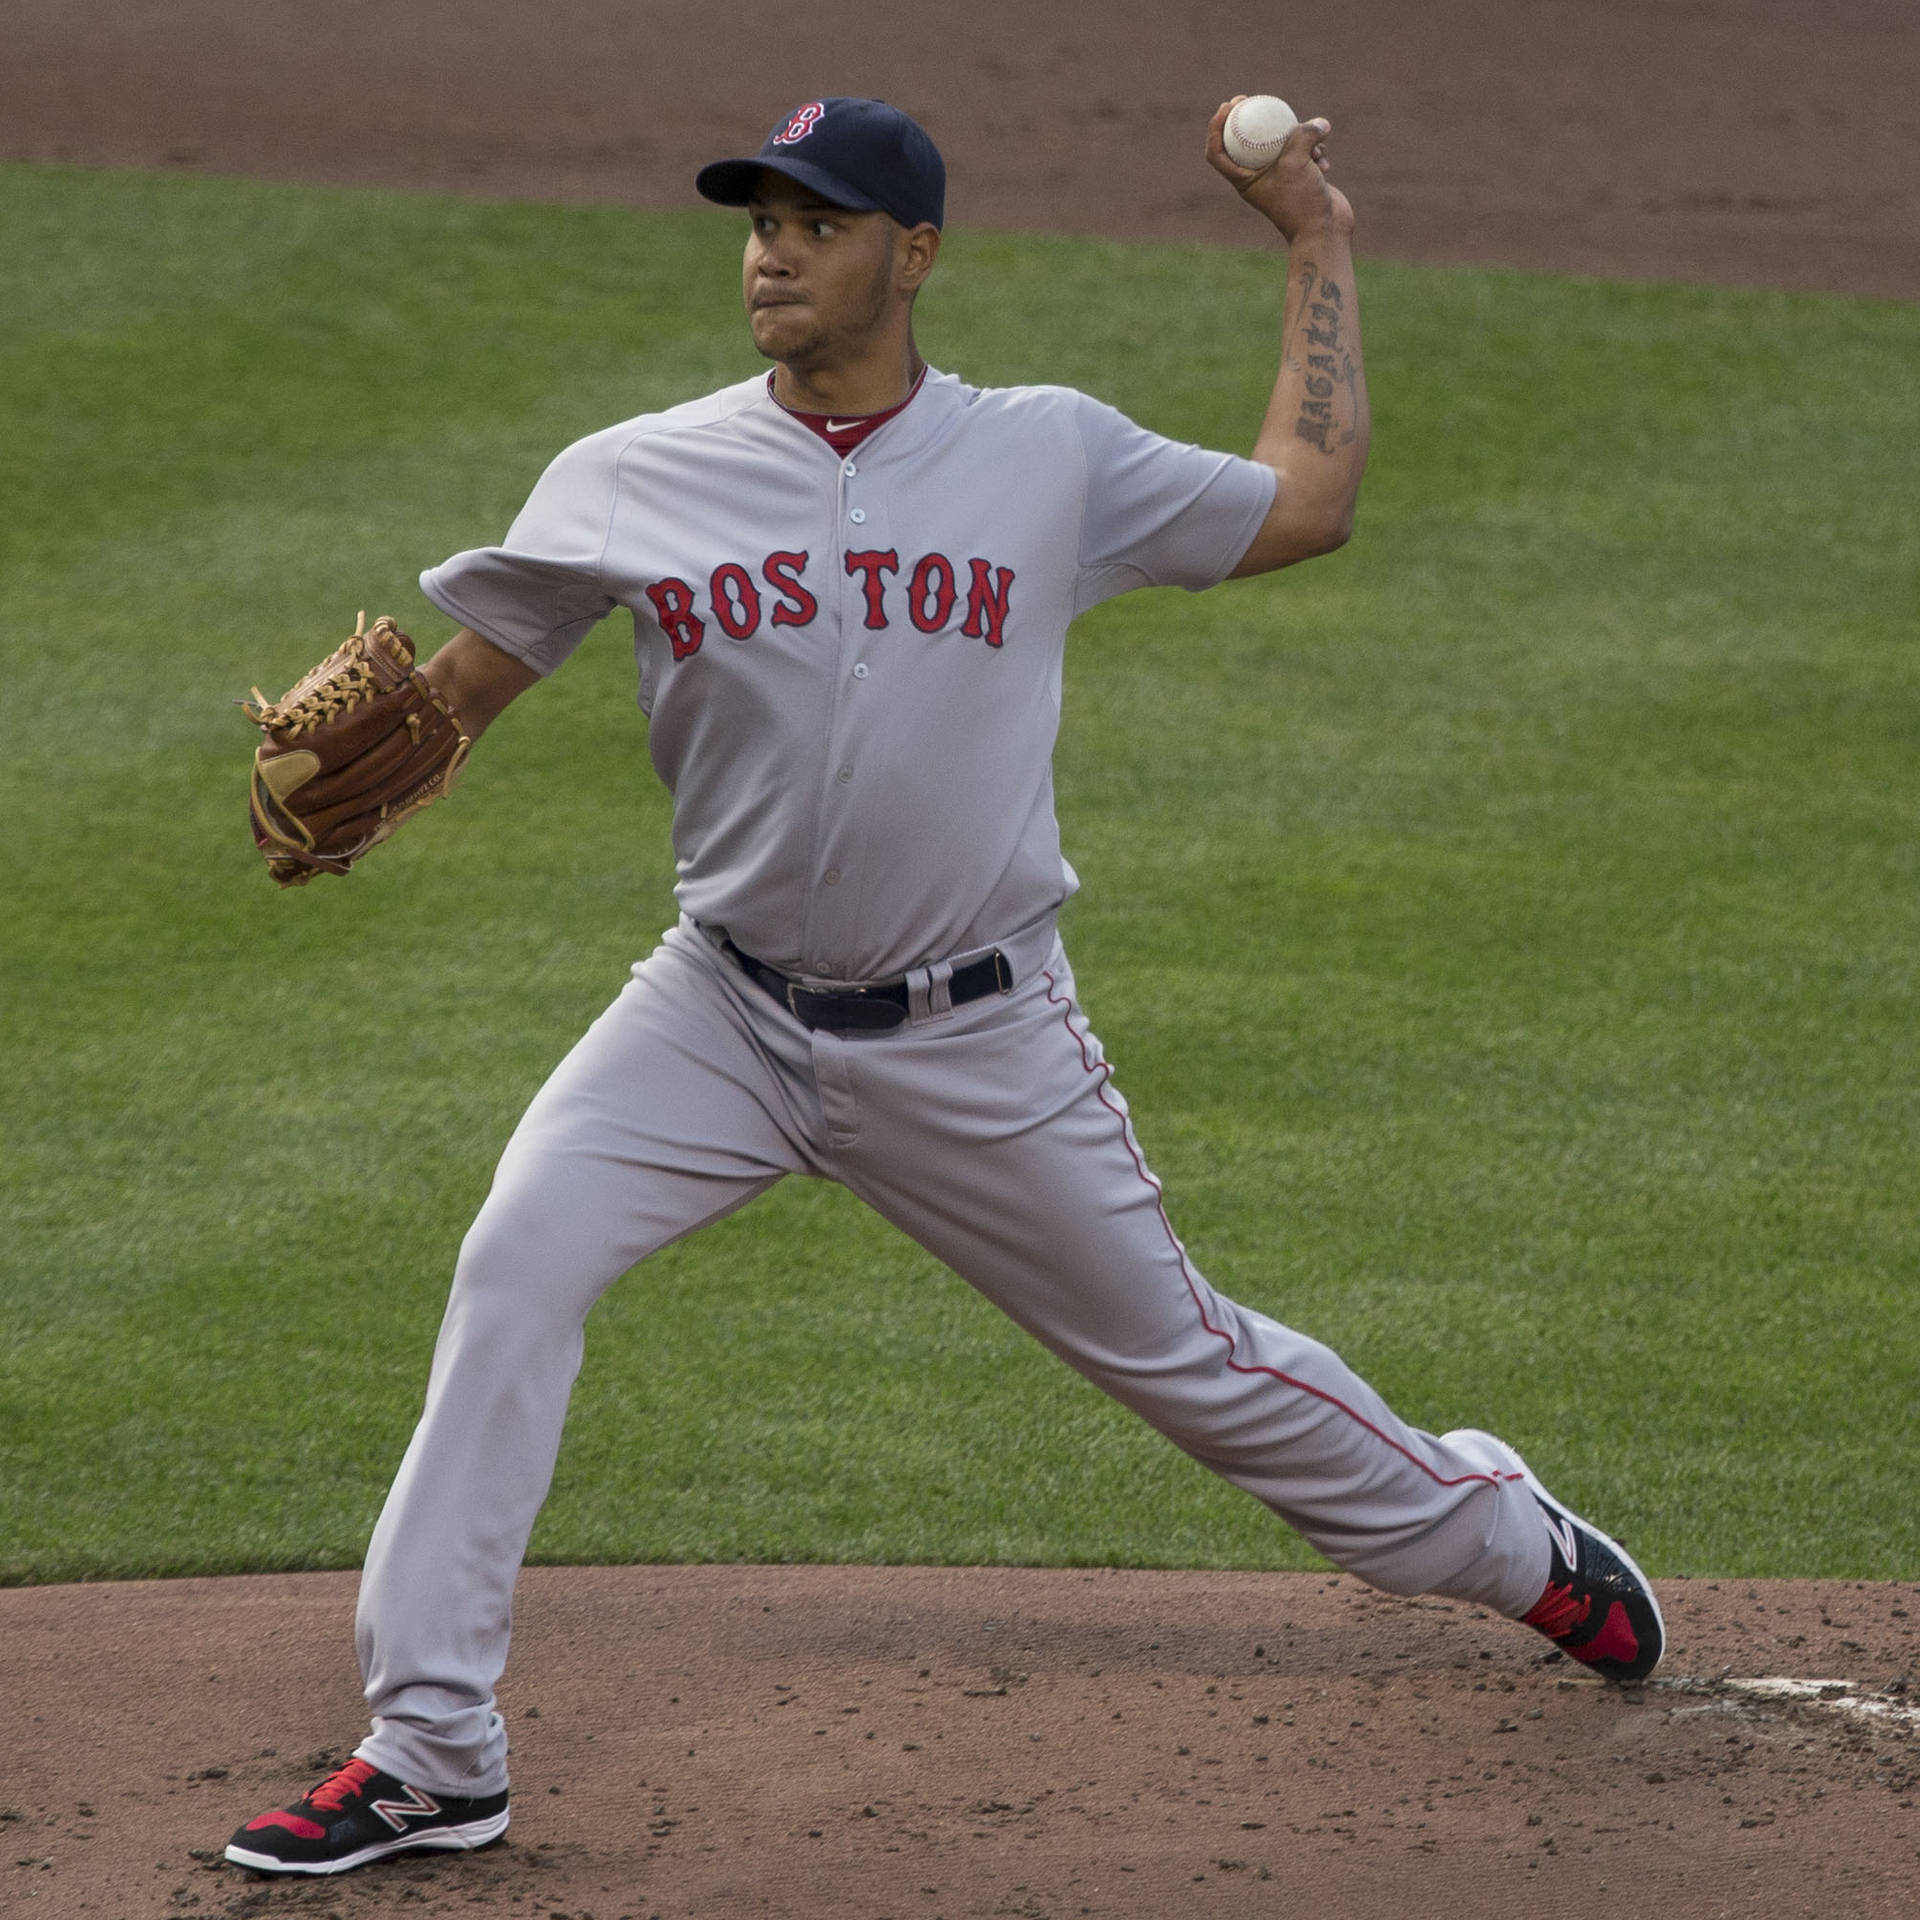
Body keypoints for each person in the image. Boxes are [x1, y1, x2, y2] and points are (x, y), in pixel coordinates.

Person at [225, 95, 1662, 1880]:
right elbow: (468, 681)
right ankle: (432, 1746)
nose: (770, 249)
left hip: (976, 1035)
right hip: (720, 1014)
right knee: (516, 1258)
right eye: (757, 218)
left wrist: (1316, 241)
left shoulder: (1045, 455)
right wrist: (378, 752)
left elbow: (1308, 505)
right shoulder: (631, 472)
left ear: (913, 256)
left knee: (1199, 1369)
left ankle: (1508, 1542)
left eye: (816, 223)